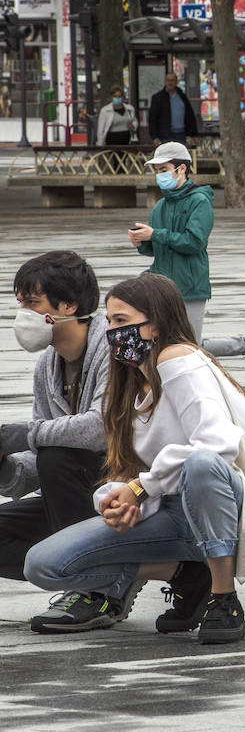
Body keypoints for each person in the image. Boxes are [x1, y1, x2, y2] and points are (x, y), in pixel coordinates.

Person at [25, 273, 245, 643]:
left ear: (155, 323)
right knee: (43, 565)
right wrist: (117, 498)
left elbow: (217, 444)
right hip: (170, 516)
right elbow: (129, 467)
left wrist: (142, 487)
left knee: (201, 465)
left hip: (223, 507)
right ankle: (187, 573)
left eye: (121, 321)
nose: (111, 332)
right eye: (110, 320)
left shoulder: (179, 359)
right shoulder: (133, 384)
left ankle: (223, 597)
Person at [3, 252, 126, 633]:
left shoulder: (114, 348)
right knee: (52, 457)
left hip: (128, 487)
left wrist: (25, 433)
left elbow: (100, 429)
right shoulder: (47, 366)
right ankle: (77, 570)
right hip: (75, 490)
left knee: (57, 454)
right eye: (20, 302)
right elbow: (35, 469)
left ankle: (99, 588)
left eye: (32, 303)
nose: (22, 313)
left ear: (68, 305)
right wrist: (4, 462)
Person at [127, 141, 245, 360]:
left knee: (189, 346)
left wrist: (155, 235)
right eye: (157, 171)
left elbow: (194, 242)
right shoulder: (160, 206)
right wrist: (141, 242)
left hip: (190, 284)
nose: (159, 175)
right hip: (161, 286)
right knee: (170, 343)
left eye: (164, 170)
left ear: (182, 169)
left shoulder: (199, 201)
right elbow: (155, 248)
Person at [147, 72, 199, 145]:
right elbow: (152, 119)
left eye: (172, 80)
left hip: (181, 135)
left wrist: (194, 134)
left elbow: (190, 116)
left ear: (176, 82)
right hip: (165, 136)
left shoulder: (182, 96)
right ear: (165, 82)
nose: (170, 83)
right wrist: (154, 137)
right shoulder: (158, 98)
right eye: (168, 80)